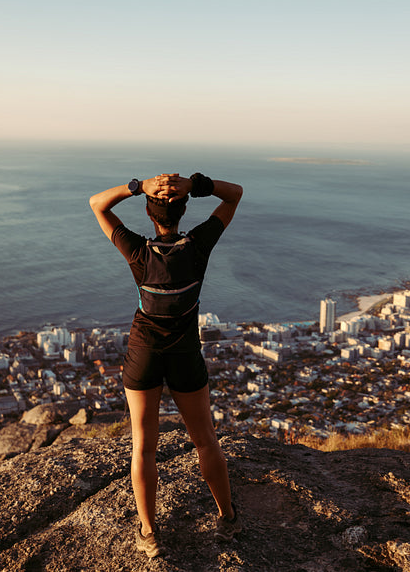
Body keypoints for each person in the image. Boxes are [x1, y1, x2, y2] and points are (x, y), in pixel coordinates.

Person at [89, 171, 243, 558]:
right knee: (205, 440)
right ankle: (226, 518)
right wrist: (192, 184)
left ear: (148, 213)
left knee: (143, 448)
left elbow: (97, 203)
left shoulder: (138, 251)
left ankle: (149, 532)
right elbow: (234, 195)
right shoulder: (197, 247)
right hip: (185, 353)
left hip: (143, 354)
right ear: (184, 211)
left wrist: (139, 186)